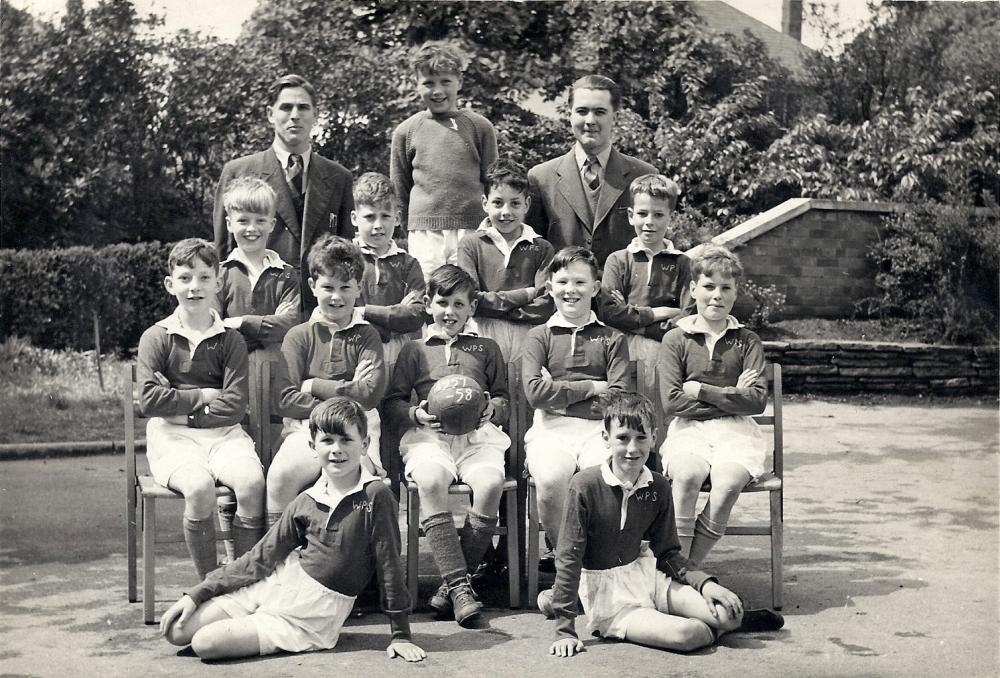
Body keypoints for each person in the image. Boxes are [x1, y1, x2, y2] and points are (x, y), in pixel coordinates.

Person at [160, 397, 426, 663]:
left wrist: (400, 634)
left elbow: (389, 563)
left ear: (365, 444)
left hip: (312, 610)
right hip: (274, 585)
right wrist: (198, 593)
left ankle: (246, 628)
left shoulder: (375, 496)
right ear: (312, 446)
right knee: (176, 630)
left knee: (205, 643)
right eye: (327, 441)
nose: (337, 450)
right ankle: (243, 621)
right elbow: (260, 558)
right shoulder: (306, 501)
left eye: (346, 440)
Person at [541, 391, 783, 657]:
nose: (632, 449)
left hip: (649, 579)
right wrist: (565, 630)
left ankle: (725, 623)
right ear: (605, 438)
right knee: (688, 634)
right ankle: (714, 627)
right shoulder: (584, 486)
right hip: (611, 598)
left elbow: (668, 554)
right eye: (622, 438)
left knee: (727, 613)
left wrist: (705, 584)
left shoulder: (657, 486)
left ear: (654, 438)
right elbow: (568, 558)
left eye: (641, 437)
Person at [385, 265, 510, 627]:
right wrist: (416, 414)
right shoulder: (414, 350)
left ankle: (451, 585)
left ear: (472, 307)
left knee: (489, 486)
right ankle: (460, 588)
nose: (449, 312)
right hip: (430, 438)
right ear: (428, 304)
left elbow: (501, 397)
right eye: (442, 303)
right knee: (430, 481)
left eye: (459, 304)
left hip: (477, 439)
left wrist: (492, 409)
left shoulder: (486, 348)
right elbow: (392, 403)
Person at [137, 238, 265, 579]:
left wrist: (181, 407)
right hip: (173, 438)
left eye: (204, 278)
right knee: (199, 488)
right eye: (185, 278)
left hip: (224, 436)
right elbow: (149, 400)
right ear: (170, 284)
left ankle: (240, 581)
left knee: (252, 484)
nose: (195, 287)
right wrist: (207, 395)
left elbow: (235, 405)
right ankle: (210, 584)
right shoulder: (157, 337)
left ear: (218, 282)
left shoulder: (231, 339)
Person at [658, 244, 768, 566]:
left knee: (729, 481)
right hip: (688, 431)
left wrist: (700, 390)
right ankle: (680, 569)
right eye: (708, 287)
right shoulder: (676, 339)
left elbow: (757, 401)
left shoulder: (747, 341)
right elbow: (672, 402)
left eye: (725, 288)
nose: (716, 295)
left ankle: (684, 572)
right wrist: (733, 396)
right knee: (688, 475)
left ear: (736, 293)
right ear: (693, 289)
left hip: (736, 433)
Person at [267, 236, 386, 526]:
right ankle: (282, 557)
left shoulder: (367, 335)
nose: (337, 297)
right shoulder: (299, 336)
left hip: (358, 432)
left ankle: (357, 561)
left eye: (346, 287)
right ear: (312, 286)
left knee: (365, 485)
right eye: (328, 288)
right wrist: (347, 392)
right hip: (306, 432)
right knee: (280, 475)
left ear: (359, 287)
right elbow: (284, 399)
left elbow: (368, 395)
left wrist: (313, 385)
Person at [212, 74, 354, 313]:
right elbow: (223, 252)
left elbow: (346, 252)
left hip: (320, 310)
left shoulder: (339, 177)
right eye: (286, 107)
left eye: (303, 108)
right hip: (257, 308)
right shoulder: (238, 172)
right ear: (270, 114)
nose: (295, 115)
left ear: (315, 114)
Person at [522, 247, 630, 550]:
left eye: (580, 282)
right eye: (563, 282)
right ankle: (563, 558)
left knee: (604, 477)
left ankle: (596, 559)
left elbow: (618, 399)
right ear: (550, 288)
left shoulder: (612, 338)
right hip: (550, 431)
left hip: (600, 431)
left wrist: (558, 395)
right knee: (552, 478)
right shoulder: (538, 337)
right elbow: (535, 393)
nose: (571, 290)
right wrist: (594, 387)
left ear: (595, 288)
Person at [390, 41, 499, 278]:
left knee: (468, 289)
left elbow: (492, 182)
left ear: (459, 82)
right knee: (428, 293)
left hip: (470, 226)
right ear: (416, 85)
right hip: (424, 232)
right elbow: (400, 186)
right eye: (428, 83)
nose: (437, 91)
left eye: (445, 82)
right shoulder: (407, 130)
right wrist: (407, 225)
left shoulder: (479, 127)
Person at [526, 74, 657, 267]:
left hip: (623, 294)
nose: (590, 120)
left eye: (600, 112)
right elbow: (534, 254)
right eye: (582, 111)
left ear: (615, 117)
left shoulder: (643, 175)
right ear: (569, 114)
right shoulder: (540, 177)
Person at [456, 158, 555, 361]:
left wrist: (495, 307)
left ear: (526, 205)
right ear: (485, 203)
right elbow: (472, 300)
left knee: (523, 389)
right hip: (483, 333)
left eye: (515, 203)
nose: (506, 212)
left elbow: (544, 306)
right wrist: (526, 294)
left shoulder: (542, 248)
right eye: (498, 203)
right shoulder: (470, 244)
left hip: (527, 336)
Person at [601, 173, 692, 388]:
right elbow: (610, 313)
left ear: (670, 216)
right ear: (631, 216)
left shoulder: (683, 263)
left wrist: (634, 320)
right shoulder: (618, 260)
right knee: (626, 411)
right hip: (622, 351)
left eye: (658, 214)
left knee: (663, 412)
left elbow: (687, 318)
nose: (649, 222)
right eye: (642, 214)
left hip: (666, 352)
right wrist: (662, 313)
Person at [215, 176, 301, 365]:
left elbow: (289, 326)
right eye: (243, 220)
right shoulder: (219, 274)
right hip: (230, 370)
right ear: (229, 224)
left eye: (260, 220)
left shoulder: (286, 274)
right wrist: (270, 323)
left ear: (271, 225)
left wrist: (238, 322)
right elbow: (213, 327)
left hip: (277, 369)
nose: (251, 228)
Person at [351, 171, 426, 370]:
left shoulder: (408, 264)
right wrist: (395, 314)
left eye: (385, 216)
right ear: (354, 218)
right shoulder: (345, 259)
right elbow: (343, 313)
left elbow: (417, 314)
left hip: (400, 354)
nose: (378, 225)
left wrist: (363, 311)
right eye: (369, 217)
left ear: (397, 218)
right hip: (357, 352)